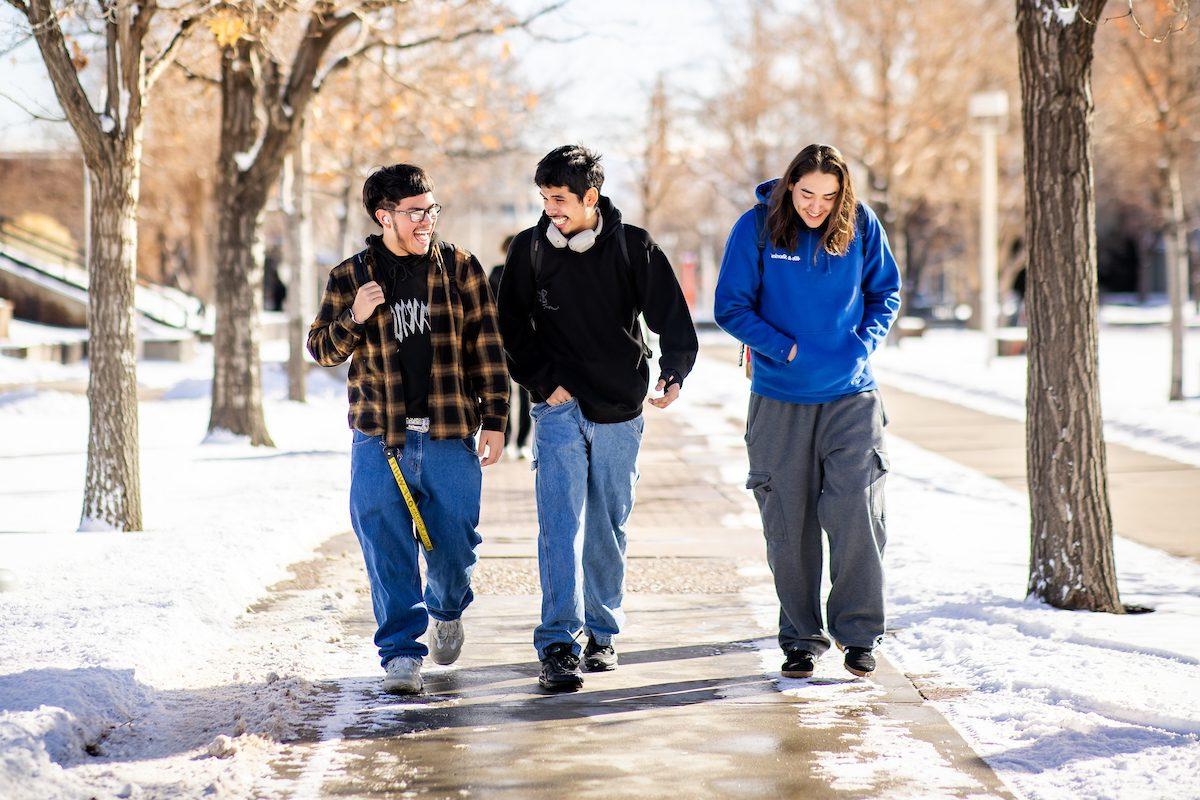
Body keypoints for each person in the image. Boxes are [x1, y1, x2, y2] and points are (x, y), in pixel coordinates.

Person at [497, 144, 699, 692]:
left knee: (607, 526)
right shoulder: (529, 249)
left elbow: (671, 317)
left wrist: (674, 371)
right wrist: (544, 383)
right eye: (543, 198)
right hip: (558, 408)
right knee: (558, 527)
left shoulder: (633, 247)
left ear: (592, 197)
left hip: (619, 408)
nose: (550, 209)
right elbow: (510, 326)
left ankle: (602, 634)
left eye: (559, 199)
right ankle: (558, 642)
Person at [307, 164, 509, 694]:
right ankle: (400, 652)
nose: (427, 221)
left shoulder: (461, 268)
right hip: (379, 435)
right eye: (415, 212)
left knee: (455, 545)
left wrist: (496, 418)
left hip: (448, 432)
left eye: (431, 209)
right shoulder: (350, 277)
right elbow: (322, 350)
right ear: (384, 217)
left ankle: (447, 608)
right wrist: (353, 316)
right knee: (385, 542)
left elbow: (487, 345)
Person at [714, 144, 901, 680]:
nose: (817, 207)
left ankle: (860, 635)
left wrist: (860, 346)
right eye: (806, 194)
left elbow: (884, 292)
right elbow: (730, 306)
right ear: (789, 187)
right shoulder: (755, 227)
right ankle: (800, 639)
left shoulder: (861, 224)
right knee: (789, 524)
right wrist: (784, 349)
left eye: (829, 196)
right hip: (780, 400)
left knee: (856, 516)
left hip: (852, 397)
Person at [488, 235, 533, 458]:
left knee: (526, 394)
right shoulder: (497, 272)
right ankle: (505, 442)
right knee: (503, 393)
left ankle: (523, 442)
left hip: (524, 343)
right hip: (500, 341)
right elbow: (488, 305)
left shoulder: (529, 272)